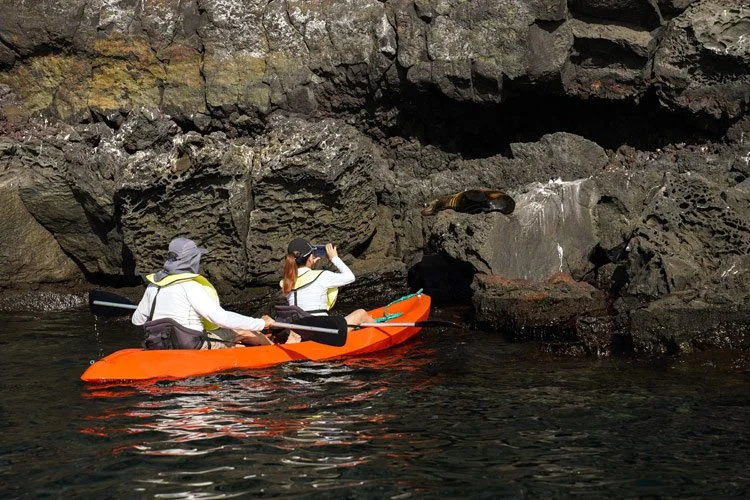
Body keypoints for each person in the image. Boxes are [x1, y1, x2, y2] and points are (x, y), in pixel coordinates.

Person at [132, 237, 274, 349]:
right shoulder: (191, 286)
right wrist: (261, 323)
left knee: (236, 343)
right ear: (192, 260)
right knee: (244, 331)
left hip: (160, 344)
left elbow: (137, 320)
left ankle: (238, 349)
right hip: (191, 345)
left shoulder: (153, 286)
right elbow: (222, 319)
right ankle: (273, 351)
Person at [278, 238, 373, 342]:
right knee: (361, 313)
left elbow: (304, 280)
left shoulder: (286, 283)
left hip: (300, 331)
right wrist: (334, 258)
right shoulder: (322, 276)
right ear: (310, 258)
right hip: (321, 332)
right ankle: (377, 329)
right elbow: (350, 277)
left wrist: (309, 265)